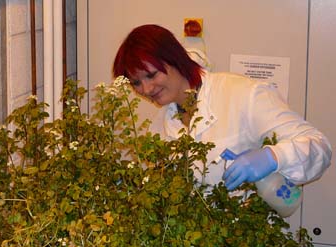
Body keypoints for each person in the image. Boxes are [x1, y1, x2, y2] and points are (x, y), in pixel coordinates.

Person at [112, 24, 332, 191]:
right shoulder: (162, 124)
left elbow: (319, 147)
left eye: (151, 75)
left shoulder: (243, 94)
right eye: (136, 82)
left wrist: (274, 157)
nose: (147, 89)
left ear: (175, 59)